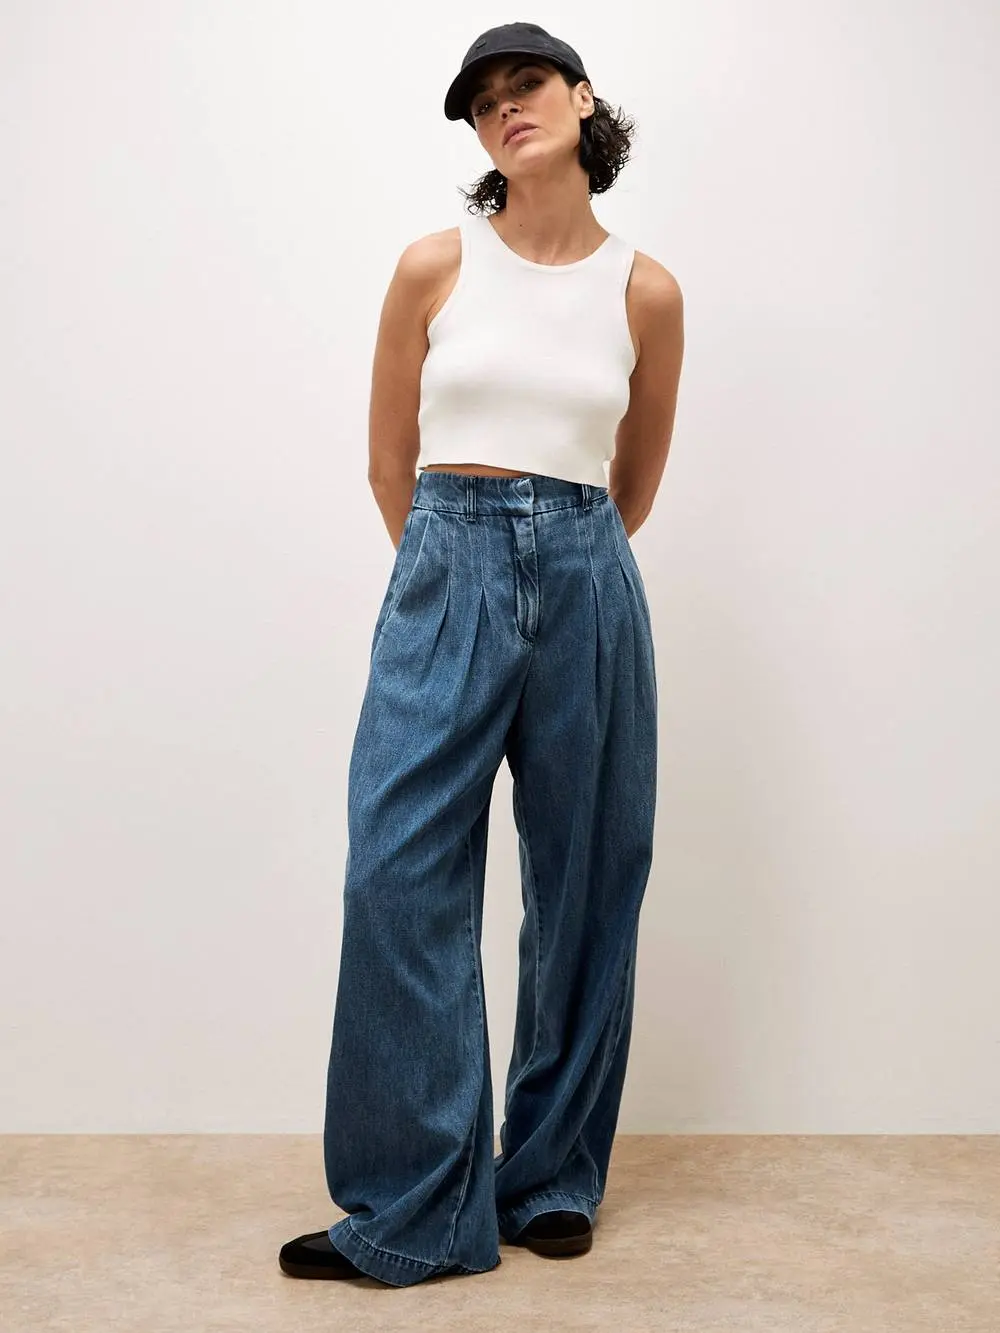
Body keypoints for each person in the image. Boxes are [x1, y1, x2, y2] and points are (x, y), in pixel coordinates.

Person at [279, 21, 684, 1288]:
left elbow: (633, 481)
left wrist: (560, 562)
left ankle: (548, 1176)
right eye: (482, 100)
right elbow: (385, 463)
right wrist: (452, 576)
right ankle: (416, 1206)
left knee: (586, 880)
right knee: (397, 872)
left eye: (528, 84)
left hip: (587, 572)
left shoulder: (645, 291)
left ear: (581, 98)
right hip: (443, 559)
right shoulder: (433, 267)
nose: (506, 108)